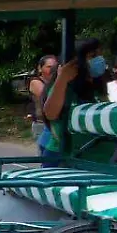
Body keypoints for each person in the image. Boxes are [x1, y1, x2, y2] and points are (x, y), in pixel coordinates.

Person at [39, 38, 108, 167]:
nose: (99, 60)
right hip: (62, 155)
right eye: (93, 56)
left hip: (93, 153)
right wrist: (63, 78)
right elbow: (51, 114)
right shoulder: (64, 86)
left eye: (100, 55)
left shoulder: (97, 86)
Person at [27, 54, 56, 141]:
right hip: (42, 125)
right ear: (40, 68)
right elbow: (49, 98)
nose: (52, 70)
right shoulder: (35, 82)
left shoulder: (55, 82)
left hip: (55, 124)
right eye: (49, 67)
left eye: (54, 67)